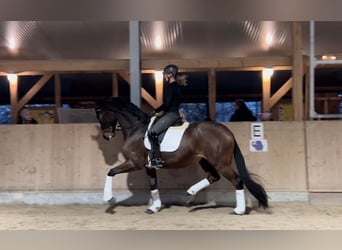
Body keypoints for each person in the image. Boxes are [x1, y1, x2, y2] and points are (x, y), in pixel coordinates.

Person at [147, 64, 188, 168]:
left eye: (165, 74)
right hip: (173, 114)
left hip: (171, 115)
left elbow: (167, 104)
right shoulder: (176, 87)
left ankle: (157, 159)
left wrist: (155, 111)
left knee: (152, 132)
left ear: (170, 74)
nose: (164, 76)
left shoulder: (170, 87)